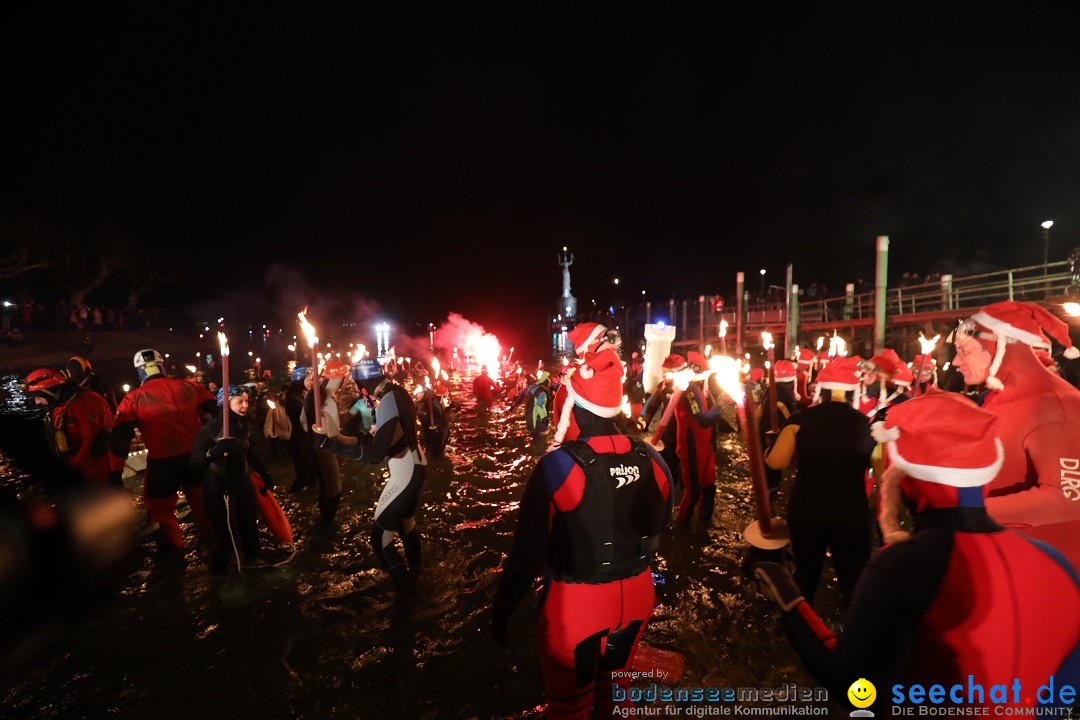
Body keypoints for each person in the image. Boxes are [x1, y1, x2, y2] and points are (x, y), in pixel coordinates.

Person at [754, 393, 1080, 715]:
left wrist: (787, 596)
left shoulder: (901, 565)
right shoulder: (1058, 565)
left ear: (907, 478)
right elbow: (1065, 691)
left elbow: (854, 689)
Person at [491, 325, 674, 719]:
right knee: (613, 703)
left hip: (576, 608)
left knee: (569, 710)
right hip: (638, 599)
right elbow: (661, 524)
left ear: (572, 406)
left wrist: (500, 614)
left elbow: (524, 561)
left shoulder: (557, 466)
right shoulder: (653, 458)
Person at [950, 301, 1080, 569]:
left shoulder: (1054, 402)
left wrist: (970, 512)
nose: (955, 361)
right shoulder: (997, 398)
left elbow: (1069, 499)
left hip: (1050, 573)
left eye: (963, 350)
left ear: (998, 346)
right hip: (1005, 558)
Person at [765, 356, 874, 605]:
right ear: (853, 390)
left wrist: (768, 450)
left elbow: (776, 463)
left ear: (821, 389)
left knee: (805, 574)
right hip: (851, 512)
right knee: (854, 580)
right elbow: (879, 470)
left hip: (807, 509)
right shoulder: (868, 425)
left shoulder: (798, 421)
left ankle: (800, 632)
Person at [314, 358, 426, 591]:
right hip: (414, 465)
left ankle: (408, 597)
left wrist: (332, 447)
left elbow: (375, 453)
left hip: (405, 472)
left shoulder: (388, 400)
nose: (358, 390)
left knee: (380, 539)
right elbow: (384, 440)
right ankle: (420, 574)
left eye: (358, 384)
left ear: (365, 382)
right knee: (406, 526)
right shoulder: (396, 393)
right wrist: (340, 440)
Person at [109, 349, 217, 549]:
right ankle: (218, 540)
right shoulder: (189, 387)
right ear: (162, 367)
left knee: (160, 511)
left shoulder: (134, 398)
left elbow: (119, 438)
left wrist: (115, 474)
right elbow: (216, 408)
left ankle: (175, 554)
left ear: (140, 371)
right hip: (196, 457)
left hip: (163, 463)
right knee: (203, 501)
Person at [190, 385, 273, 574]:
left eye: (246, 401)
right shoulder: (209, 430)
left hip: (242, 481)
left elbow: (250, 452)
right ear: (225, 404)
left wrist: (266, 475)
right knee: (226, 539)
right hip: (217, 487)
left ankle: (253, 565)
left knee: (250, 529)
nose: (245, 405)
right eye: (239, 402)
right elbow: (195, 465)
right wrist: (214, 451)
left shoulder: (243, 425)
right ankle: (219, 577)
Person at [24, 368, 113, 487]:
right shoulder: (60, 404)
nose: (37, 402)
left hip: (93, 472)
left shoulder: (85, 402)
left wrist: (73, 468)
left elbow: (93, 440)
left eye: (39, 397)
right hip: (73, 467)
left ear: (51, 391)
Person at [672, 351, 723, 529]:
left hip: (705, 445)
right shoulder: (688, 390)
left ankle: (704, 525)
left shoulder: (701, 389)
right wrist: (723, 404)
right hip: (691, 447)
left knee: (709, 488)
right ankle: (682, 532)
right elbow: (702, 419)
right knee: (692, 491)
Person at [300, 361, 350, 525]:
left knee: (328, 489)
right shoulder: (320, 397)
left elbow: (303, 421)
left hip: (318, 446)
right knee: (334, 491)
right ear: (337, 378)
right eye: (343, 378)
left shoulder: (318, 394)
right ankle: (326, 525)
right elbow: (333, 433)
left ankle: (324, 521)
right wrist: (357, 441)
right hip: (322, 449)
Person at [284, 366, 314, 494]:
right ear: (300, 380)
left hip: (304, 440)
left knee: (312, 475)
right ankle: (290, 499)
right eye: (309, 380)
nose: (311, 383)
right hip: (299, 442)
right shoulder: (293, 399)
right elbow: (304, 420)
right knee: (303, 475)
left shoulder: (298, 395)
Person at [263, 387, 291, 460]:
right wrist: (269, 435)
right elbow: (268, 424)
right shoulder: (274, 409)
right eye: (285, 395)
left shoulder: (293, 406)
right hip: (280, 437)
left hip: (292, 437)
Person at [524, 371, 552, 439]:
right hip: (536, 419)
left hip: (529, 417)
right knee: (539, 437)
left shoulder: (533, 388)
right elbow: (540, 406)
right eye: (549, 384)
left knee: (533, 435)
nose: (549, 386)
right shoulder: (542, 392)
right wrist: (544, 418)